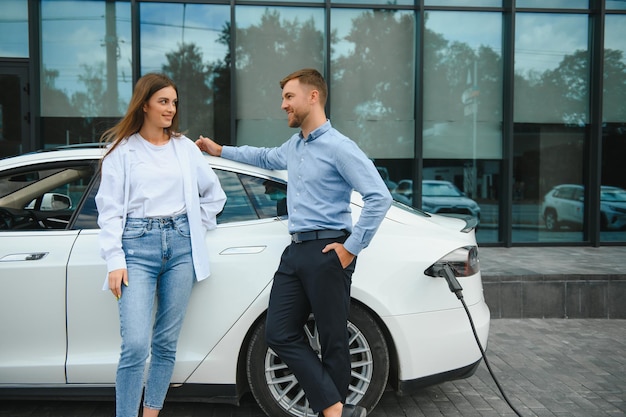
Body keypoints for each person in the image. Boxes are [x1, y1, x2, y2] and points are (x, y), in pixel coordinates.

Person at [196, 68, 392, 417]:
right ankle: (336, 409)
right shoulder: (295, 146)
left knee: (333, 341)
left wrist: (352, 248)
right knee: (279, 333)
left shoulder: (340, 147)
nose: (283, 104)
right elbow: (263, 157)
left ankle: (331, 413)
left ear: (312, 96)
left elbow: (379, 197)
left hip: (329, 249)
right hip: (296, 251)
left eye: (289, 96)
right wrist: (220, 149)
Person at [96, 73, 226, 417]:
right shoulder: (121, 152)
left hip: (181, 248)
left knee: (166, 343)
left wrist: (192, 228)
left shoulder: (183, 148)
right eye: (163, 101)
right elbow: (108, 211)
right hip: (136, 248)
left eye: (174, 102)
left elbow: (215, 195)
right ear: (144, 105)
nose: (171, 109)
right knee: (136, 345)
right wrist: (114, 259)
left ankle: (151, 413)